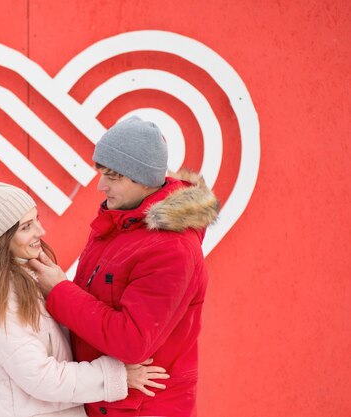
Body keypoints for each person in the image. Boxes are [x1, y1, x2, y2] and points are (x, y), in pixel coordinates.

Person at [29, 116, 220, 417]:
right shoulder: (118, 222)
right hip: (107, 400)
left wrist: (58, 290)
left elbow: (132, 341)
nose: (101, 186)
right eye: (101, 173)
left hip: (145, 410)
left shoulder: (171, 248)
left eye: (114, 176)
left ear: (144, 179)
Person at [0, 181, 170, 417]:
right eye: (26, 227)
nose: (40, 231)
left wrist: (60, 289)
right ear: (3, 238)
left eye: (36, 219)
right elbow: (39, 376)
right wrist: (116, 376)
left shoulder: (32, 275)